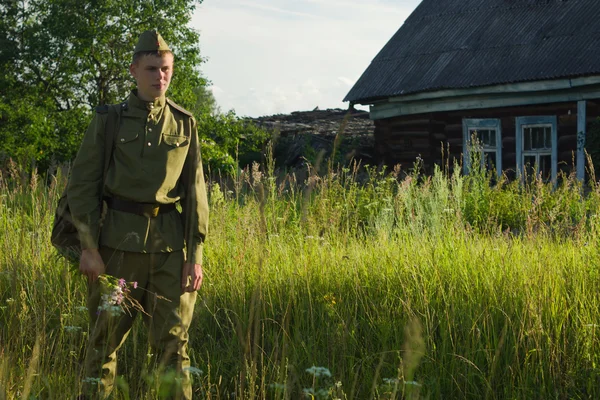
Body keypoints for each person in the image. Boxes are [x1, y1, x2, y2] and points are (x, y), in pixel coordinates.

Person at [67, 30, 209, 399]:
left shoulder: (184, 123)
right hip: (116, 249)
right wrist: (88, 247)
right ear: (133, 70)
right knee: (103, 345)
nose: (159, 76)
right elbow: (82, 185)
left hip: (168, 253)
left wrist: (194, 257)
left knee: (174, 348)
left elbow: (196, 195)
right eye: (151, 69)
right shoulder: (109, 120)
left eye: (165, 69)